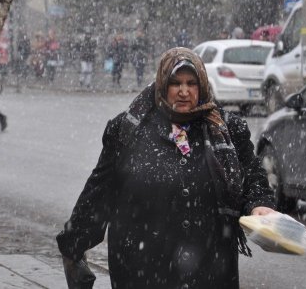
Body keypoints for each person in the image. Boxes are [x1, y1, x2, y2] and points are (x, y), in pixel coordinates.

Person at [56, 47, 276, 288]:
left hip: (210, 270)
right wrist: (73, 245)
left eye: (192, 83)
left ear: (202, 85)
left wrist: (259, 205)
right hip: (142, 270)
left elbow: (252, 176)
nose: (184, 92)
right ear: (162, 85)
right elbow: (99, 193)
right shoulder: (128, 130)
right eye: (175, 83)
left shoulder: (226, 130)